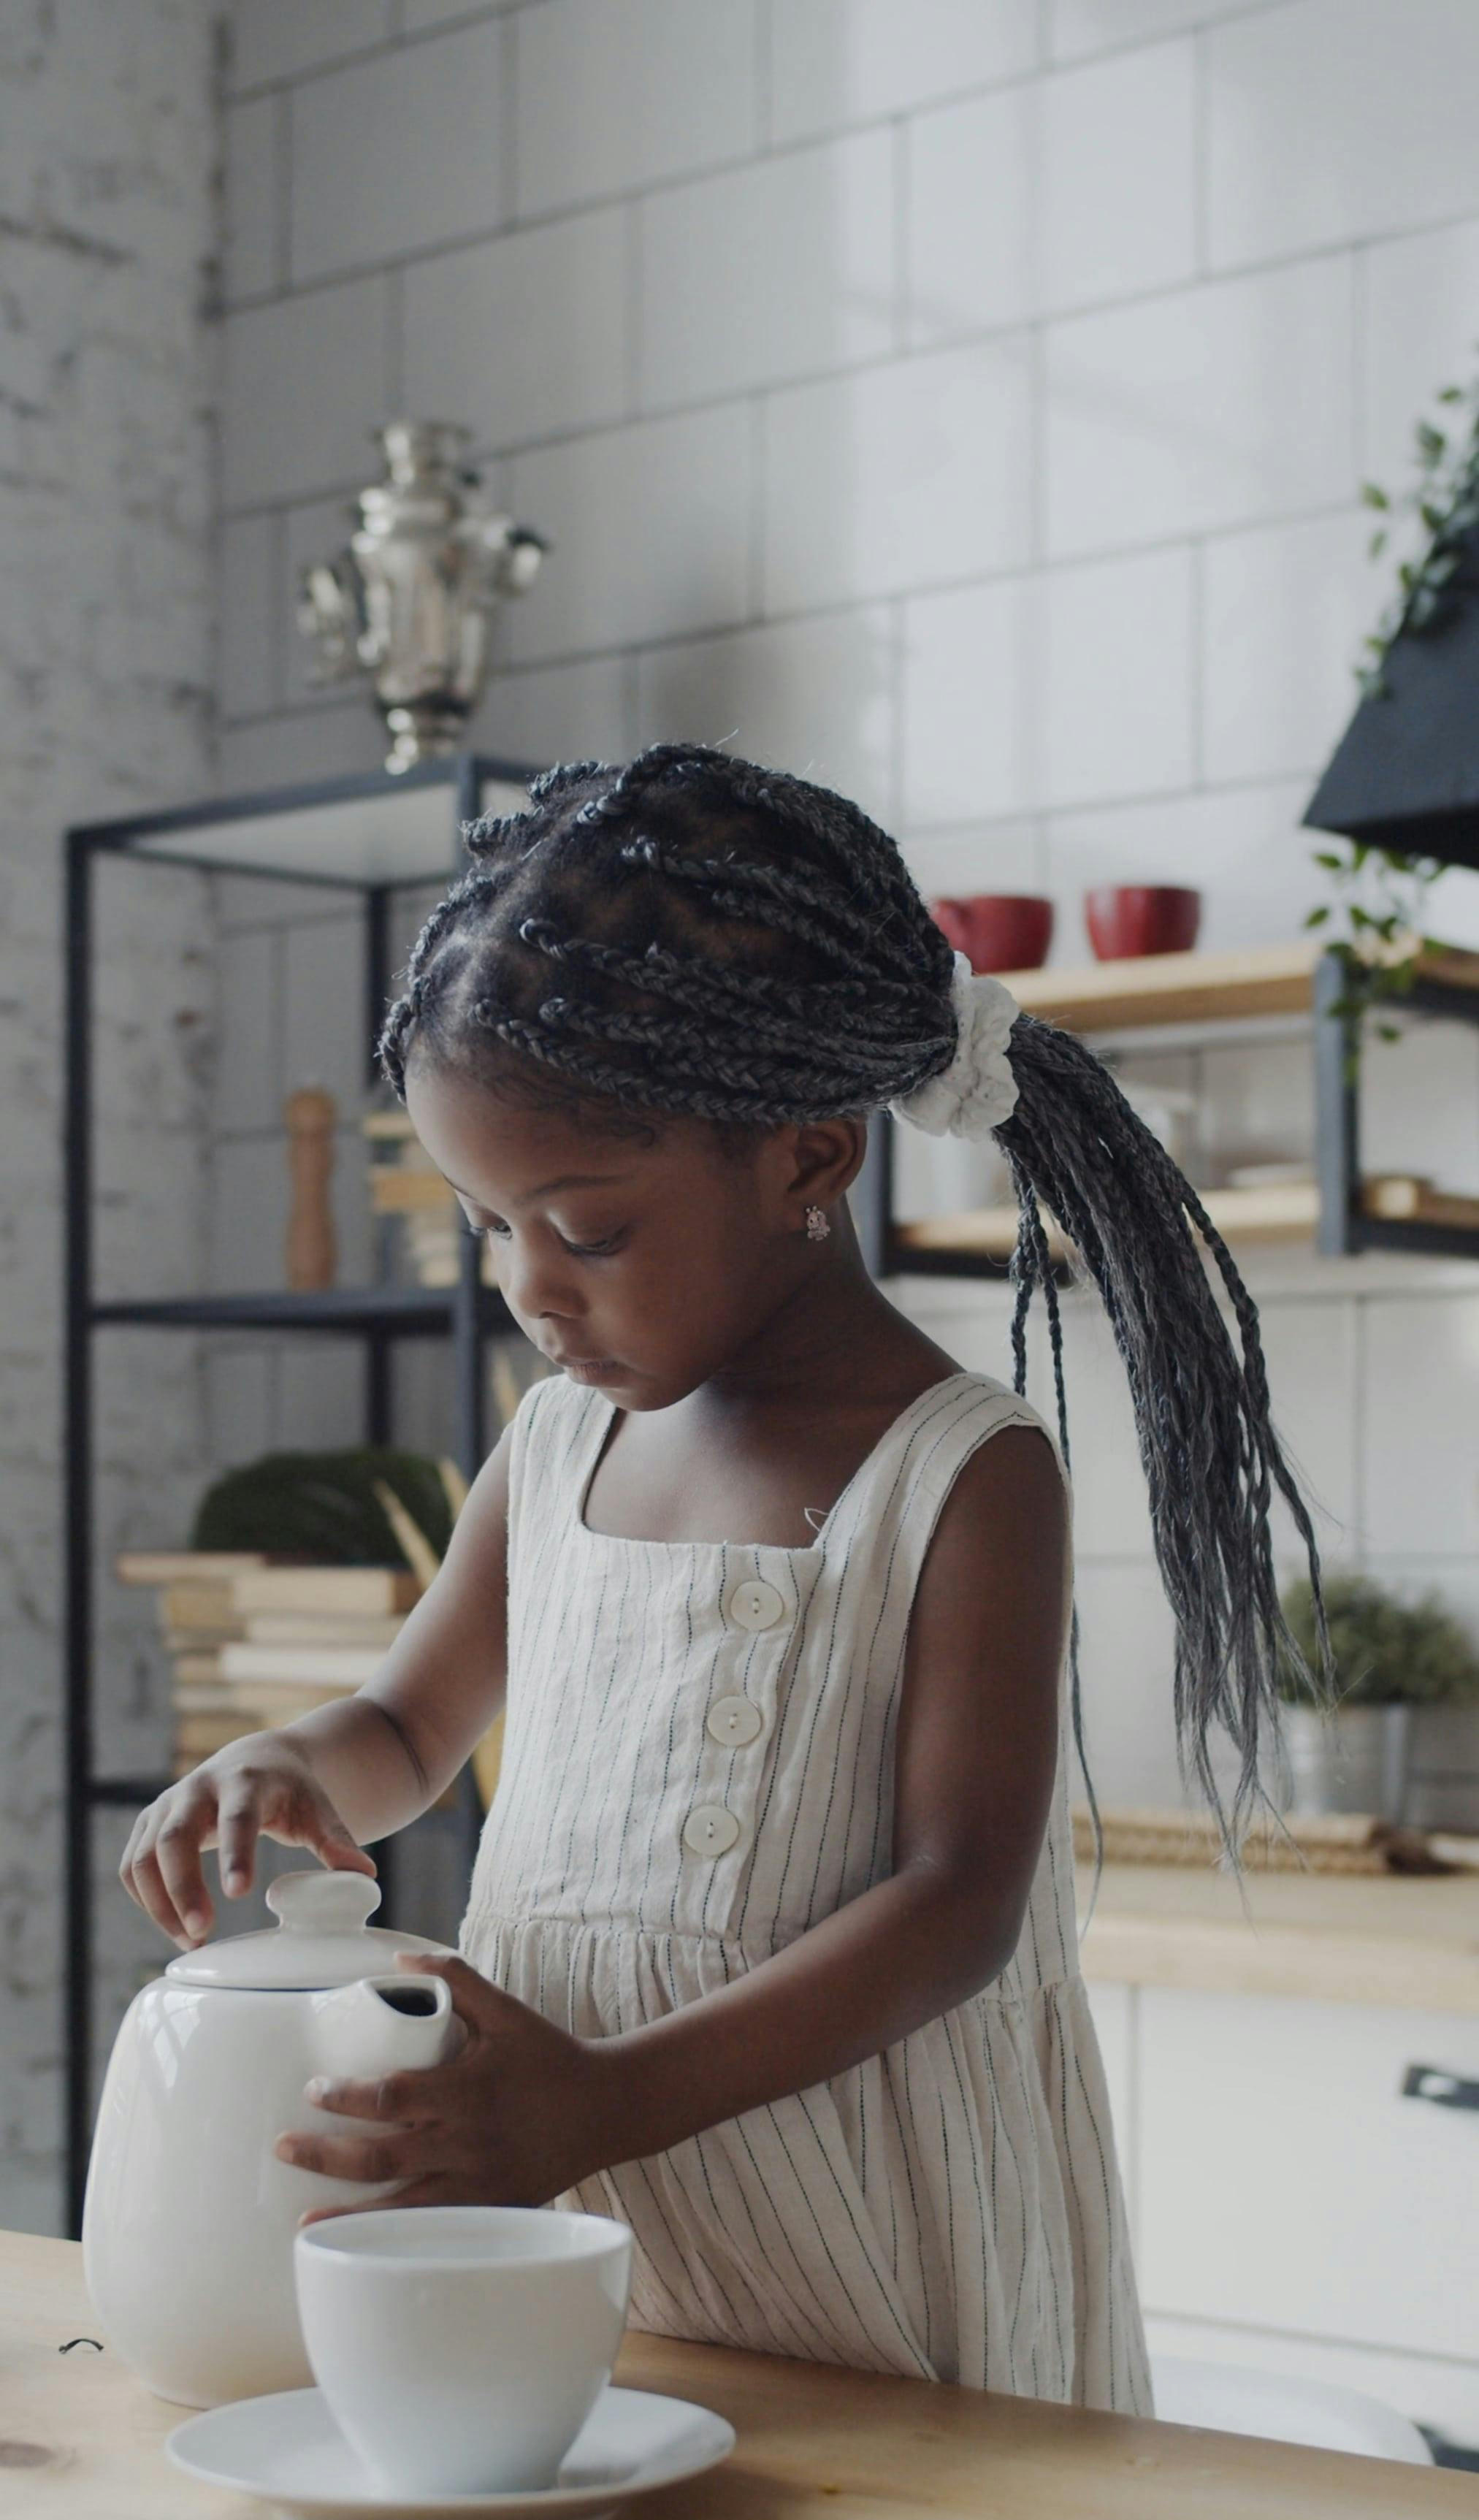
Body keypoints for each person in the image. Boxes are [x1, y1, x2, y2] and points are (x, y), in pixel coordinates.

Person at [121, 742, 1323, 2409]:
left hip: (884, 2260)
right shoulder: (555, 1450)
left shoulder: (959, 1471)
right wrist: (286, 1763)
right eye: (487, 1226)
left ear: (808, 1161)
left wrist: (596, 2097)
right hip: (592, 2221)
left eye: (587, 1230)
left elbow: (954, 1905)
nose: (530, 1291)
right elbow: (407, 1728)